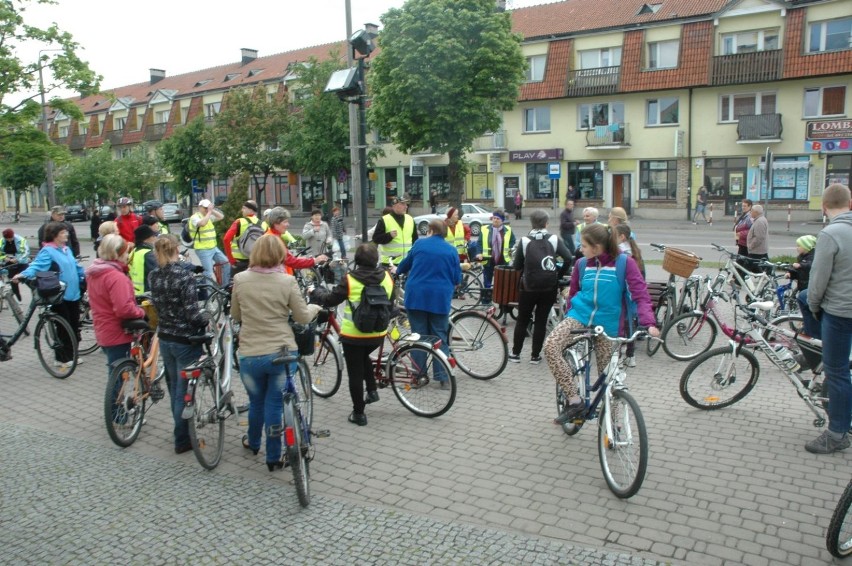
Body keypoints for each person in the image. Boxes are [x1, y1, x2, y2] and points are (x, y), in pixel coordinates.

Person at [543, 224, 659, 424]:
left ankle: (612, 426)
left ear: (597, 247)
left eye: (584, 245)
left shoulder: (625, 263)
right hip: (579, 317)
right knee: (551, 346)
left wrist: (648, 323)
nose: (580, 249)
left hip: (609, 324)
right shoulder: (581, 264)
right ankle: (574, 400)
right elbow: (573, 293)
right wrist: (570, 314)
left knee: (611, 379)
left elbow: (641, 295)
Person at [231, 235, 320, 466]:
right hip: (281, 354)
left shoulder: (240, 279)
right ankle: (273, 457)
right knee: (274, 405)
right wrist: (314, 307)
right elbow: (301, 316)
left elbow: (236, 315)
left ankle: (253, 442)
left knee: (256, 402)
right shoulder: (286, 281)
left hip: (250, 354)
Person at [310, 243, 393, 426]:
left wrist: (316, 291)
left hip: (354, 336)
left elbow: (331, 299)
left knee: (355, 373)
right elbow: (391, 301)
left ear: (357, 260)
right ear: (376, 259)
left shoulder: (350, 279)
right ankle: (371, 390)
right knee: (364, 357)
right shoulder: (387, 276)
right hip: (378, 333)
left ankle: (359, 413)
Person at [797, 183, 852, 454]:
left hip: (841, 313)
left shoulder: (831, 233)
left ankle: (837, 433)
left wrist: (816, 306)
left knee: (838, 372)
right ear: (850, 205)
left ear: (824, 207)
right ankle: (818, 348)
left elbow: (818, 281)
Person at [148, 234, 210, 455]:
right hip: (185, 339)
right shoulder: (184, 277)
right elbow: (193, 315)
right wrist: (207, 318)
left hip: (165, 336)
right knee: (182, 392)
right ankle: (181, 438)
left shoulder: (154, 275)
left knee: (175, 386)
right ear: (177, 250)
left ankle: (180, 431)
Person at [396, 220, 461, 389]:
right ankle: (442, 377)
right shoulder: (451, 250)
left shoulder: (419, 244)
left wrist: (396, 271)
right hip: (439, 299)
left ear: (430, 230)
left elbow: (405, 264)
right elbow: (457, 278)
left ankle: (419, 375)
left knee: (418, 337)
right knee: (440, 337)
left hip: (417, 297)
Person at [13, 221, 85, 372]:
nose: (66, 234)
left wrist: (84, 276)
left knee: (73, 325)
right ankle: (62, 359)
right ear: (55, 236)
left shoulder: (66, 249)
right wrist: (23, 274)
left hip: (73, 293)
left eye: (66, 232)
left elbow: (76, 266)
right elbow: (37, 266)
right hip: (60, 294)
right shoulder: (48, 251)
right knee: (63, 327)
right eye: (63, 232)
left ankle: (71, 354)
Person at [509, 210, 572, 365]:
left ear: (532, 223)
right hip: (549, 287)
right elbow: (568, 258)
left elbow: (516, 267)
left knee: (522, 319)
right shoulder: (554, 239)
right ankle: (535, 356)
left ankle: (515, 354)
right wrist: (558, 274)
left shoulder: (524, 241)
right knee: (541, 321)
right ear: (546, 223)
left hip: (528, 287)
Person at [85, 233, 146, 374]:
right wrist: (140, 312)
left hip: (102, 328)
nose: (128, 255)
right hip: (117, 331)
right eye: (126, 252)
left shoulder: (95, 273)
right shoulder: (116, 277)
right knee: (118, 376)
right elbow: (124, 309)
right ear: (119, 254)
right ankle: (116, 397)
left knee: (114, 368)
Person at [264, 207, 328, 273]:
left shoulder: (273, 236)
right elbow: (290, 261)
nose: (288, 224)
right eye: (285, 222)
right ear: (276, 223)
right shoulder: (272, 240)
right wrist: (314, 261)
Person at [471, 209, 514, 305]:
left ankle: (502, 301)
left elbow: (512, 241)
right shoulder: (485, 229)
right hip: (488, 260)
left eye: (498, 219)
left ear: (502, 220)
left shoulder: (508, 230)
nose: (495, 220)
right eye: (494, 218)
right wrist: (479, 253)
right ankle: (486, 302)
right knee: (487, 282)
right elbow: (479, 243)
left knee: (502, 282)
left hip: (502, 260)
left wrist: (509, 248)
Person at [189, 198, 231, 287]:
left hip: (213, 248)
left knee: (226, 263)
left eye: (208, 208)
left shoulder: (209, 216)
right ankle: (208, 293)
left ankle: (224, 286)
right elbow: (202, 223)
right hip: (203, 249)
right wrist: (209, 212)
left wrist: (212, 210)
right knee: (208, 272)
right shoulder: (194, 217)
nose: (206, 210)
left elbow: (221, 217)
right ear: (199, 207)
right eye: (205, 208)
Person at [372, 197, 417, 266]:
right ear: (394, 205)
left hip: (407, 262)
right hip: (389, 262)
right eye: (402, 204)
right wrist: (389, 236)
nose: (406, 206)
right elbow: (376, 239)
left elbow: (415, 240)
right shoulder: (384, 220)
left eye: (406, 204)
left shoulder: (410, 219)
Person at [223, 200, 261, 277]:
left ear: (250, 209)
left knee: (236, 286)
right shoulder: (263, 224)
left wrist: (231, 260)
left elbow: (226, 239)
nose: (241, 210)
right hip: (255, 261)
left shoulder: (239, 222)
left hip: (238, 261)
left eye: (244, 208)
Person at [129, 224, 159, 295]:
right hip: (147, 293)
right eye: (153, 236)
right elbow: (159, 273)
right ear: (145, 239)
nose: (155, 238)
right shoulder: (148, 254)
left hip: (135, 292)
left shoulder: (134, 251)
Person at [1, 228, 30, 301]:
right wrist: (5, 258)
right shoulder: (2, 241)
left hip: (21, 262)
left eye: (10, 238)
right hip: (8, 262)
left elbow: (25, 253)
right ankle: (17, 295)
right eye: (7, 239)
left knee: (27, 277)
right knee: (12, 280)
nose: (9, 240)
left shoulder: (21, 240)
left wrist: (17, 259)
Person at [746, 204, 769, 273]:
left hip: (757, 251)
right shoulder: (759, 220)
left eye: (752, 211)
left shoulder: (760, 221)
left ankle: (738, 282)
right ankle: (769, 279)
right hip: (760, 250)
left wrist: (751, 246)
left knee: (747, 268)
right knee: (763, 268)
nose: (750, 213)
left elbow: (759, 237)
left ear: (756, 212)